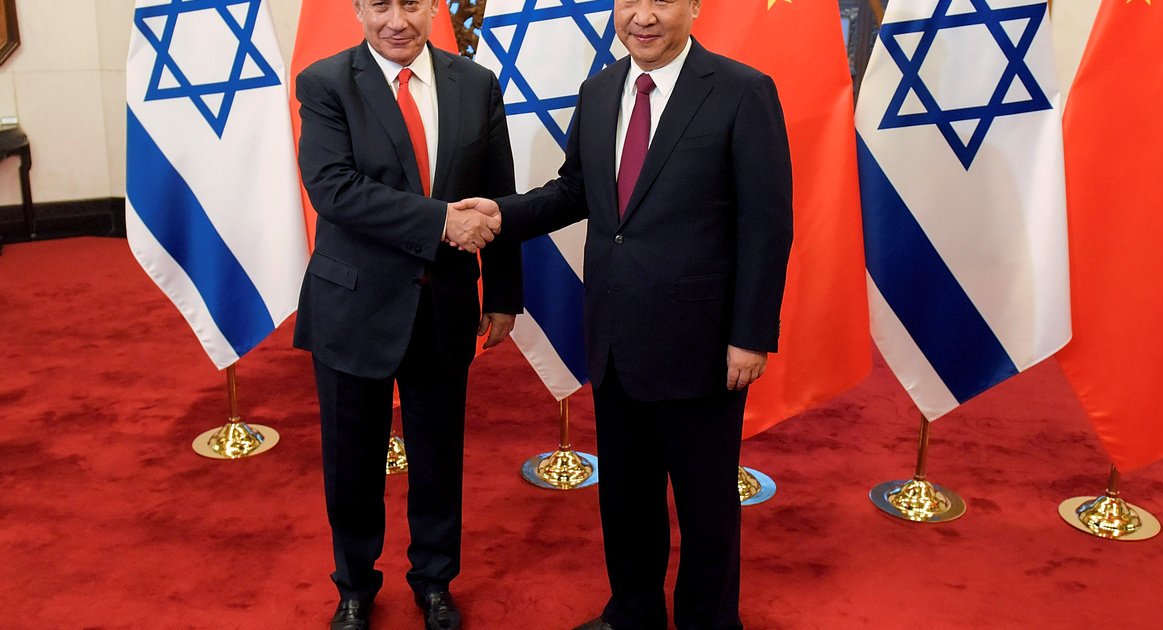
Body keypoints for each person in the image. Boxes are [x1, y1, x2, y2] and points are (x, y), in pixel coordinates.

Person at [454, 0, 792, 627]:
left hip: (702, 342)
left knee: (706, 507)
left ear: (694, 6)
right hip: (614, 334)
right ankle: (634, 612)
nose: (643, 16)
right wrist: (503, 214)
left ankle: (709, 620)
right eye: (629, 1)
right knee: (627, 498)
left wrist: (750, 334)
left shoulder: (743, 91)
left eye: (661, 0)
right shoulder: (600, 89)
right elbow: (575, 190)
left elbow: (767, 225)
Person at [293, 1, 521, 629]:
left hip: (443, 305)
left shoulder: (476, 83)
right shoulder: (325, 83)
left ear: (433, 6)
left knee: (439, 458)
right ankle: (354, 588)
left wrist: (503, 292)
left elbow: (498, 193)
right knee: (351, 462)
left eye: (413, 3)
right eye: (380, 4)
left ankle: (435, 582)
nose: (397, 19)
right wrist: (441, 221)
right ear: (358, 9)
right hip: (352, 306)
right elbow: (333, 188)